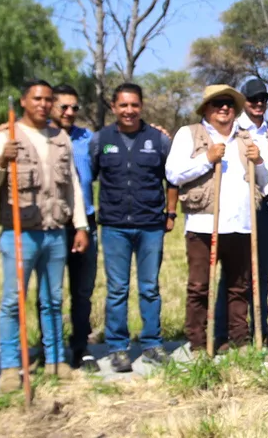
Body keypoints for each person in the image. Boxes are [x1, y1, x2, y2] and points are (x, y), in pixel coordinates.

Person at [0, 80, 90, 386]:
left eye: (48, 99)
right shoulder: (6, 136)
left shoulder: (60, 138)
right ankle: (9, 366)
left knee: (52, 300)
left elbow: (72, 186)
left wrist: (80, 225)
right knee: (12, 302)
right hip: (20, 234)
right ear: (24, 102)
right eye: (37, 99)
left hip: (55, 233)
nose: (43, 104)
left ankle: (55, 359)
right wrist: (2, 160)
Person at [165, 84, 267, 353]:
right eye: (218, 103)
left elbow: (265, 182)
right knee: (199, 287)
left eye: (229, 104)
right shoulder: (189, 134)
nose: (224, 108)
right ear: (206, 109)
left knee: (239, 287)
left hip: (242, 225)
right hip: (203, 225)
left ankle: (239, 339)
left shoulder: (246, 138)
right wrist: (207, 159)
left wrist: (258, 162)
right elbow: (173, 174)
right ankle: (199, 343)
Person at [91, 83, 177, 371]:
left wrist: (171, 213)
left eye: (134, 105)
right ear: (114, 107)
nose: (129, 110)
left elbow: (172, 179)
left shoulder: (158, 139)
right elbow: (90, 176)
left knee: (150, 288)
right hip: (114, 227)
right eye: (123, 105)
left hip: (150, 225)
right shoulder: (101, 139)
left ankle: (152, 343)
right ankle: (118, 347)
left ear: (141, 106)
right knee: (117, 289)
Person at [226, 78, 268, 345]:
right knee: (236, 273)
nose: (259, 103)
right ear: (244, 101)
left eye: (263, 99)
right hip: (239, 204)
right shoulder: (233, 129)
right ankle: (230, 332)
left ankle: (261, 328)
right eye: (253, 99)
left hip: (267, 207)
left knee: (262, 271)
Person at [49, 84, 100, 372]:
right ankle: (51, 349)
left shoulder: (87, 138)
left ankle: (81, 346)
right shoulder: (41, 135)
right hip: (52, 224)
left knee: (82, 291)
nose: (69, 112)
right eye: (63, 107)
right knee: (50, 292)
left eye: (74, 108)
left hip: (85, 223)